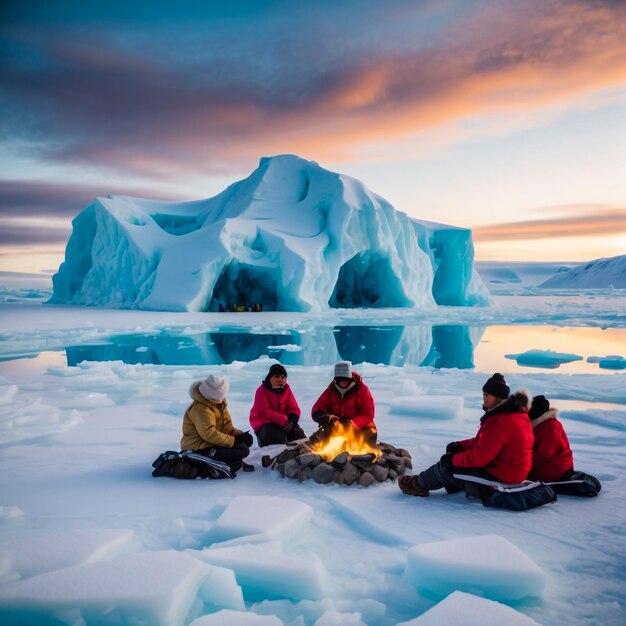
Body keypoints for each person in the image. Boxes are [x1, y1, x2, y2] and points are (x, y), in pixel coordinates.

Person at [398, 373, 533, 498]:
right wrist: (460, 446)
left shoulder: (501, 422)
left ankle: (418, 485)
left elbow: (480, 458)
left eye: (487, 396)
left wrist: (452, 460)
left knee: (446, 467)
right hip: (509, 471)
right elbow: (483, 442)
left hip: (502, 476)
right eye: (483, 395)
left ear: (498, 397)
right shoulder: (509, 415)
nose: (484, 399)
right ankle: (455, 482)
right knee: (456, 459)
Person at [528, 395, 601, 495]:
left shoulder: (549, 427)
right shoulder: (542, 424)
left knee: (520, 477)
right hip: (561, 466)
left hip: (554, 468)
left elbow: (542, 455)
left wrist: (524, 467)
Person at [180, 374, 252, 474]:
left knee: (246, 440)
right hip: (198, 447)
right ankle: (209, 464)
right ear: (210, 395)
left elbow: (225, 423)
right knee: (242, 451)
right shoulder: (201, 409)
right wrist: (231, 440)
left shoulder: (218, 403)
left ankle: (231, 462)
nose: (221, 399)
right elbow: (209, 434)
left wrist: (234, 432)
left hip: (212, 442)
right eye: (218, 397)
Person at [311, 361, 377, 445]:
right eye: (339, 380)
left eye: (345, 379)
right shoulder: (331, 390)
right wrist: (321, 415)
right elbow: (319, 406)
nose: (342, 382)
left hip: (359, 428)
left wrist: (351, 424)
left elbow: (368, 413)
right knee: (317, 441)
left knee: (370, 431)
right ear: (336, 380)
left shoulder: (362, 390)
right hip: (337, 426)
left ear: (350, 378)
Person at [249, 363, 306, 447]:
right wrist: (282, 419)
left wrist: (292, 420)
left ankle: (307, 453)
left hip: (283, 422)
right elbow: (264, 412)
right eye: (276, 376)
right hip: (265, 424)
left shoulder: (287, 389)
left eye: (283, 377)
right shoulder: (262, 390)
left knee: (298, 434)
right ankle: (266, 446)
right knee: (278, 439)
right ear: (270, 378)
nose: (280, 379)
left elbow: (293, 408)